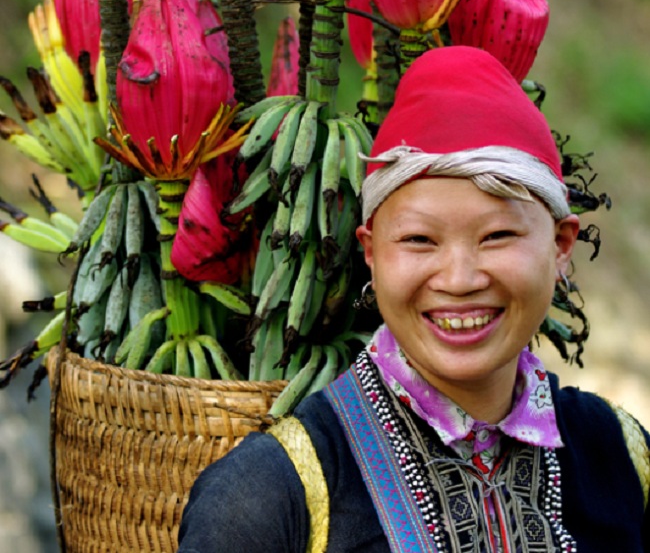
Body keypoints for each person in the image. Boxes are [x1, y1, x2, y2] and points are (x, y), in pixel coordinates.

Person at [177, 46, 650, 552]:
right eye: (420, 240)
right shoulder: (267, 496)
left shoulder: (620, 456)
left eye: (497, 236)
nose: (461, 278)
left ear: (560, 244)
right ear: (372, 253)